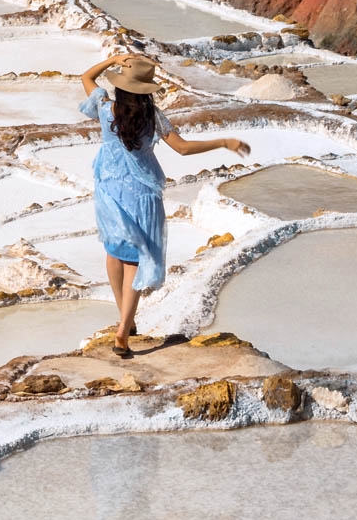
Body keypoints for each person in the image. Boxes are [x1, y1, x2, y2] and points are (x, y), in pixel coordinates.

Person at [80, 53, 250, 357]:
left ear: (120, 86)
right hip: (142, 194)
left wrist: (110, 60)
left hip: (109, 189)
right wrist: (224, 142)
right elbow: (183, 149)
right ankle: (123, 331)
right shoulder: (152, 117)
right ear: (145, 91)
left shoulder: (106, 109)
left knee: (113, 252)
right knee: (136, 259)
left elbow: (86, 78)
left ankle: (124, 320)